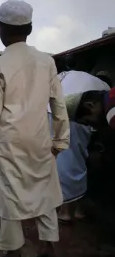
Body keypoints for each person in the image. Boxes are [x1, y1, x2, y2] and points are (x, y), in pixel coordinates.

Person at [0, 0, 70, 257]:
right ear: (29, 28)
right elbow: (59, 106)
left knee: (11, 193)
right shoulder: (47, 62)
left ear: (1, 28)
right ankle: (48, 244)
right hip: (40, 138)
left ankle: (13, 250)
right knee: (44, 189)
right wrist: (61, 141)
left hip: (10, 141)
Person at [47, 71, 111, 223]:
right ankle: (76, 209)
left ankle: (66, 211)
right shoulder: (100, 89)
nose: (88, 125)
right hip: (62, 109)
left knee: (68, 160)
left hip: (59, 110)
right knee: (75, 159)